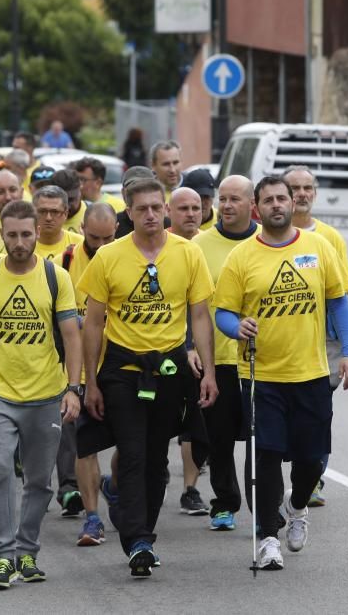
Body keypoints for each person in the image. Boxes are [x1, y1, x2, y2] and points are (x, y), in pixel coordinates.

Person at [213, 176, 348, 571]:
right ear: (257, 209)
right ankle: (268, 536)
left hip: (311, 372)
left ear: (293, 203)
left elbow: (339, 303)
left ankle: (296, 506)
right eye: (268, 200)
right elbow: (222, 311)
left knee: (312, 458)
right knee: (267, 456)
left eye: (283, 198)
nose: (277, 204)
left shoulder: (318, 247)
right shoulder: (241, 257)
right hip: (262, 374)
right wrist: (235, 326)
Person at [78, 177, 217, 578]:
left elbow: (200, 317)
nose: (152, 215)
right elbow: (92, 323)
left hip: (170, 369)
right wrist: (90, 382)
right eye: (142, 209)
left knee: (157, 459)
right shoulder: (109, 257)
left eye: (158, 207)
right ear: (129, 211)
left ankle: (139, 526)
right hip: (122, 369)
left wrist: (208, 373)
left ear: (167, 208)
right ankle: (138, 541)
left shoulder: (188, 254)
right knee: (133, 453)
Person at [0, 200, 81, 590]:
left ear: (36, 234)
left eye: (27, 234)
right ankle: (4, 558)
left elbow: (72, 336)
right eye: (12, 235)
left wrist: (73, 389)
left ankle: (27, 550)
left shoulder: (56, 277)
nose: (20, 242)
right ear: (2, 235)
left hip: (45, 394)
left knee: (41, 481)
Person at [281, 164, 348, 506]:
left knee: (319, 409)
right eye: (295, 188)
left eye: (308, 187)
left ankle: (312, 477)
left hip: (326, 342)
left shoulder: (330, 238)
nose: (302, 194)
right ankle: (300, 472)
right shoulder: (265, 236)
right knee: (291, 414)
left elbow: (342, 296)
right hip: (286, 340)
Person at [192, 175, 260, 531]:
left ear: (253, 204)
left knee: (259, 437)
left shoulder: (267, 242)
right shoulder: (200, 245)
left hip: (260, 360)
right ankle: (225, 502)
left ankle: (262, 501)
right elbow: (192, 303)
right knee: (218, 437)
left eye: (235, 199)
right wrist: (192, 347)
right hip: (216, 358)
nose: (227, 205)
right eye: (223, 198)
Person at [63, 202, 118, 546]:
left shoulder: (126, 256)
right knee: (84, 448)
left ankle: (113, 485)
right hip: (82, 370)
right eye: (93, 237)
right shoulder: (66, 261)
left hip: (121, 367)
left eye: (107, 237)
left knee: (130, 446)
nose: (99, 245)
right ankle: (93, 518)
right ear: (81, 227)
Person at [163, 186, 210, 516]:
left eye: (197, 207)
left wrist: (195, 347)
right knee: (150, 428)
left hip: (195, 349)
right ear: (169, 210)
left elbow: (202, 308)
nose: (192, 213)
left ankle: (190, 489)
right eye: (184, 208)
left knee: (194, 423)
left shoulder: (206, 246)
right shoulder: (156, 244)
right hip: (158, 348)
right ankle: (120, 482)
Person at [32, 185, 84, 261]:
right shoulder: (23, 245)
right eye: (42, 211)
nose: (48, 218)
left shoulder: (79, 244)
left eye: (55, 212)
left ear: (65, 214)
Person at [50, 169, 86, 234]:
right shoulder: (40, 219)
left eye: (71, 200)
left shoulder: (92, 216)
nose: (67, 207)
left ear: (80, 189)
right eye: (62, 201)